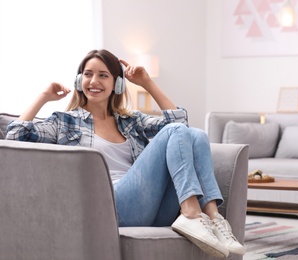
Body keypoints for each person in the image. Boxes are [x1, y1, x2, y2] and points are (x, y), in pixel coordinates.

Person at [6, 49, 245, 258]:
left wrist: (147, 83)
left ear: (117, 84)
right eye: (88, 74)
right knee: (178, 131)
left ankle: (212, 217)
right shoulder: (65, 122)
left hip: (148, 208)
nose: (94, 81)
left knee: (196, 135)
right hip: (111, 207)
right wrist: (43, 97)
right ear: (79, 80)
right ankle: (193, 214)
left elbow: (181, 123)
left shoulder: (131, 121)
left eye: (103, 75)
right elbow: (14, 137)